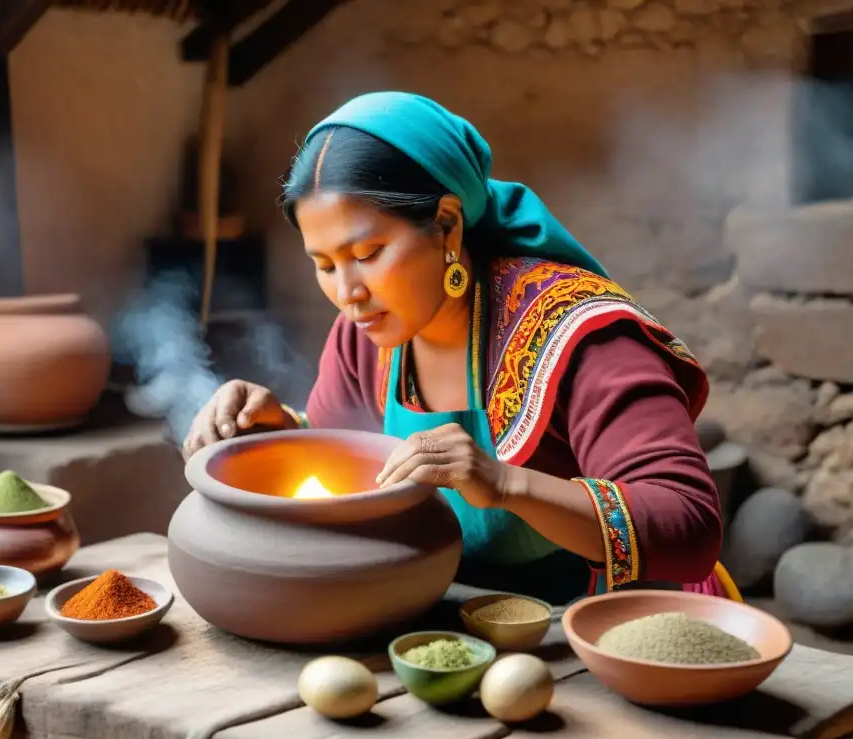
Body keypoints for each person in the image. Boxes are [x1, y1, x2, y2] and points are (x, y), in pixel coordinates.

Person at [182, 91, 739, 606]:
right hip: (445, 616)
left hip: (599, 627)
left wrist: (504, 482)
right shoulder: (365, 338)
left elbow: (689, 525)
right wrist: (274, 434)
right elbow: (346, 471)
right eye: (324, 265)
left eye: (369, 252)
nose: (347, 293)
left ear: (446, 225)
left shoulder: (578, 335)